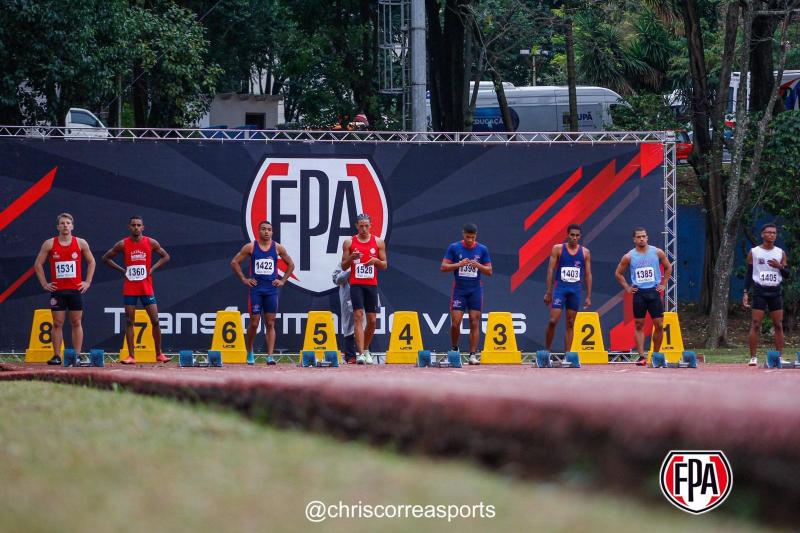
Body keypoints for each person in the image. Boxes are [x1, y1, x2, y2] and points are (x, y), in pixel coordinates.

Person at [102, 216, 171, 364]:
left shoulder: (150, 242)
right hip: (130, 287)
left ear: (143, 227)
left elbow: (165, 256)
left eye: (139, 225)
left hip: (146, 287)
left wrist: (151, 269)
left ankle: (159, 354)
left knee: (156, 320)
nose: (136, 227)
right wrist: (122, 270)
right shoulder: (123, 244)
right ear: (129, 227)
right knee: (129, 321)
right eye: (133, 225)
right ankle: (131, 356)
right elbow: (105, 258)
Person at [33, 213, 96, 365]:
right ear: (58, 226)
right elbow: (37, 264)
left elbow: (92, 262)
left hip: (75, 291)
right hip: (58, 291)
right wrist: (44, 284)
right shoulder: (49, 244)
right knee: (57, 323)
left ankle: (78, 355)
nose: (65, 225)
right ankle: (56, 356)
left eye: (68, 223)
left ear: (72, 226)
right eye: (62, 223)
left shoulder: (80, 243)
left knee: (76, 322)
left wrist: (87, 282)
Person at [230, 220, 295, 365]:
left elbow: (291, 264)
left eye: (269, 229)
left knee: (270, 323)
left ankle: (270, 356)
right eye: (264, 229)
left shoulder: (277, 248)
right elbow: (234, 262)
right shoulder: (251, 247)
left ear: (272, 232)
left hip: (271, 290)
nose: (266, 232)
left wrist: (283, 280)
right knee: (254, 323)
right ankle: (250, 350)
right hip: (256, 290)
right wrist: (244, 279)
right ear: (258, 231)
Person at [614, 227, 672, 366]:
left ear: (647, 238)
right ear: (634, 239)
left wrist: (663, 283)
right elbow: (618, 273)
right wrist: (627, 287)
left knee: (659, 324)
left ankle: (656, 356)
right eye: (638, 237)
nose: (641, 239)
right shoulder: (629, 256)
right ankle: (641, 357)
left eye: (643, 236)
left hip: (653, 292)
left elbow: (668, 267)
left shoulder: (657, 252)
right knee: (639, 324)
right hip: (639, 294)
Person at [440, 223, 492, 365]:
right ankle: (455, 349)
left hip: (475, 290)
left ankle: (472, 355)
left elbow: (489, 271)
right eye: (468, 237)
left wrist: (478, 265)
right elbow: (443, 267)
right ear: (463, 234)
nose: (470, 240)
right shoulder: (454, 247)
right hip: (459, 290)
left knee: (474, 322)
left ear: (476, 236)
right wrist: (459, 264)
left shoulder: (482, 249)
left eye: (473, 237)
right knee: (456, 323)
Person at [341, 213, 388, 364]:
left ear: (371, 225)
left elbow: (385, 264)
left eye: (366, 226)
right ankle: (360, 353)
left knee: (372, 321)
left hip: (371, 285)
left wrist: (375, 261)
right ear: (356, 226)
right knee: (358, 316)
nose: (364, 229)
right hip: (356, 284)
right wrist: (351, 258)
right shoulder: (349, 242)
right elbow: (343, 266)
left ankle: (366, 349)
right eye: (361, 226)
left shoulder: (378, 242)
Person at [743, 223, 789, 366]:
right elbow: (749, 274)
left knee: (778, 325)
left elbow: (787, 274)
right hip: (760, 291)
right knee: (756, 323)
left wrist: (780, 266)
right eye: (768, 232)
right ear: (762, 234)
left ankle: (778, 357)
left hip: (775, 291)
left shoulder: (780, 253)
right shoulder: (754, 252)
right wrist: (745, 292)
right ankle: (753, 357)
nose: (771, 235)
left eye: (774, 233)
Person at [544, 224, 592, 352]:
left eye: (577, 235)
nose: (574, 238)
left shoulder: (585, 252)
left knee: (571, 323)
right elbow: (550, 270)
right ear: (567, 235)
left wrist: (588, 296)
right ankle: (547, 351)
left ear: (580, 236)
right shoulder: (558, 249)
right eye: (572, 235)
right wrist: (548, 292)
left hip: (575, 291)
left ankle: (568, 355)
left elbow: (588, 274)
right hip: (560, 289)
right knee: (553, 320)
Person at [332, 263, 364, 364]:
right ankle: (350, 356)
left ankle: (364, 354)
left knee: (364, 325)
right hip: (348, 298)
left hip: (364, 297)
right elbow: (336, 280)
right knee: (349, 326)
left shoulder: (368, 260)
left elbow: (372, 282)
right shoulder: (345, 263)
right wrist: (350, 269)